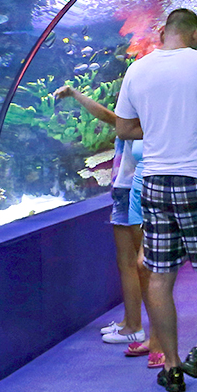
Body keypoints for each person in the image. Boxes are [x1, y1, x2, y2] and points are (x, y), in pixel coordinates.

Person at [114, 8, 197, 392]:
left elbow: (124, 128)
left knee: (160, 272)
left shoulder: (137, 71)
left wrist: (157, 125)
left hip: (156, 181)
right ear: (194, 34)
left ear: (163, 33)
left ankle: (171, 366)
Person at [52, 85, 156, 359]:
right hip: (122, 188)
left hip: (138, 190)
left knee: (141, 265)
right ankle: (130, 322)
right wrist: (75, 94)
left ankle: (145, 329)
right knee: (125, 262)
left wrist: (76, 95)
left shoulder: (148, 120)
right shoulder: (134, 118)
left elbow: (109, 117)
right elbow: (110, 117)